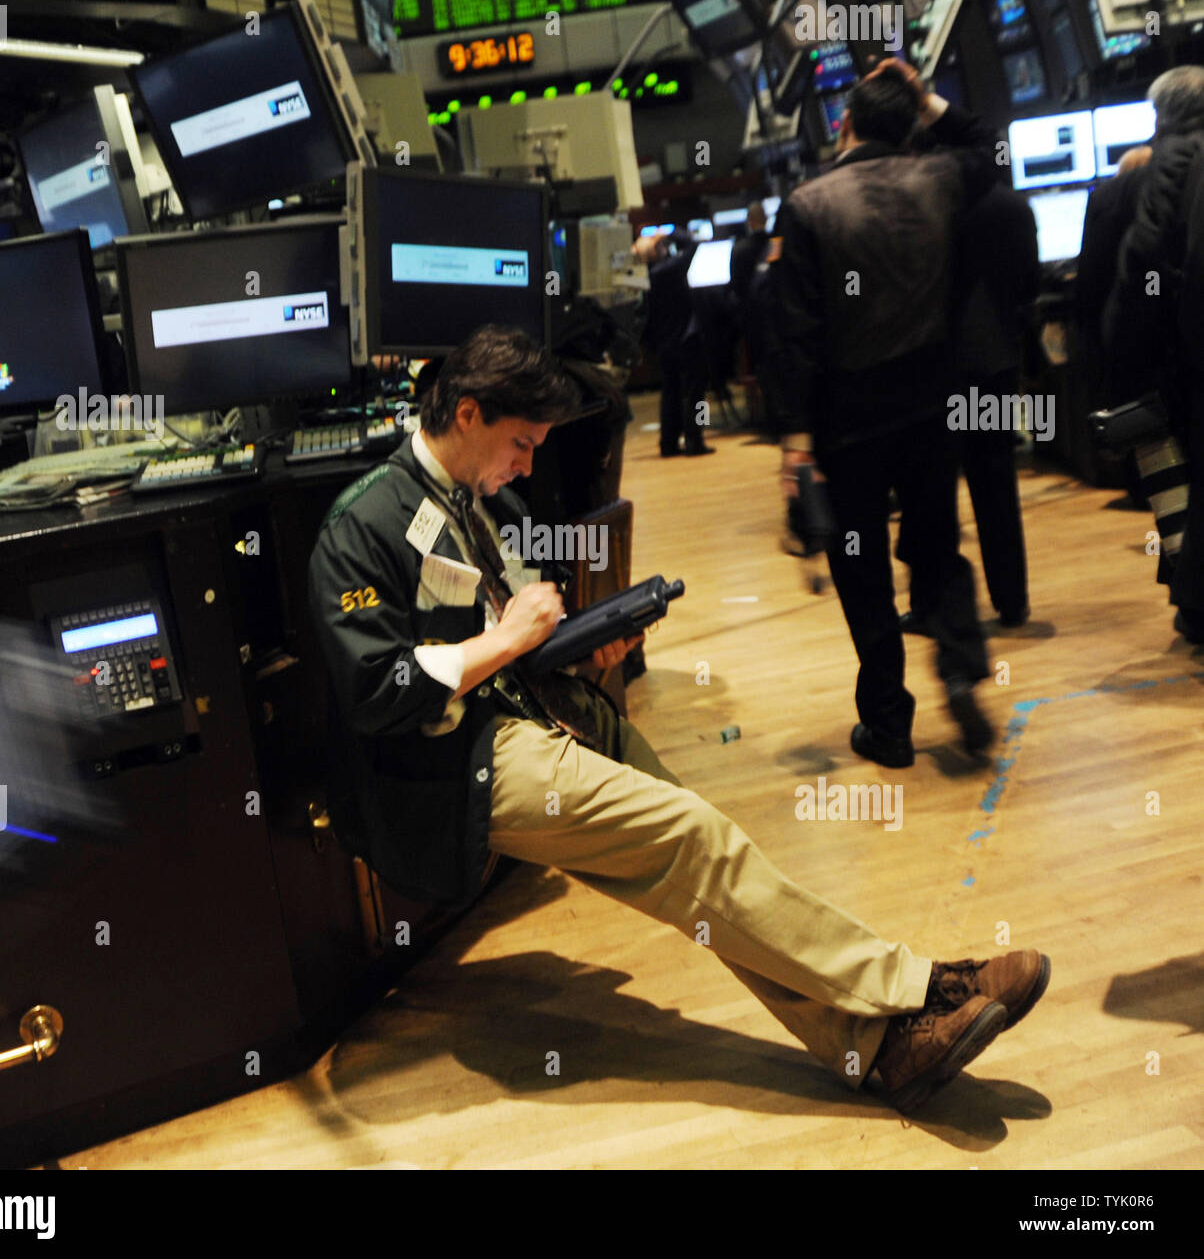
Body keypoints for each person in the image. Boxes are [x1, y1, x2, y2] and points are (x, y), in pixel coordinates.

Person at [308, 323, 1049, 1115]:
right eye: (520, 443)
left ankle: (876, 1047)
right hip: (465, 761)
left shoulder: (481, 499)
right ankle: (919, 987)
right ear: (467, 414)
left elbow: (514, 642)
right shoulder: (363, 525)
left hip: (543, 707)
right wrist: (505, 640)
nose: (526, 464)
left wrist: (582, 649)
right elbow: (377, 690)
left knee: (710, 863)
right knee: (697, 841)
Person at [771, 59, 998, 767]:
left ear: (844, 125)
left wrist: (795, 439)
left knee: (861, 566)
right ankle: (959, 665)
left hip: (849, 421)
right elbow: (992, 149)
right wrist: (930, 96)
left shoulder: (809, 204)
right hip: (932, 405)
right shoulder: (942, 178)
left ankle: (889, 725)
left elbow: (796, 331)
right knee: (938, 546)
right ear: (911, 127)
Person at [1103, 65, 1204, 642]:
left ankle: (1192, 603)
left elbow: (1141, 263)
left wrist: (1122, 354)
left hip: (1177, 359)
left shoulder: (1167, 162)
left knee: (1175, 483)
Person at [944, 180, 1039, 630]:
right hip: (997, 359)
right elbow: (1030, 284)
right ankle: (1012, 599)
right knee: (998, 488)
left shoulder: (933, 199)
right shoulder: (1013, 205)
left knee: (934, 493)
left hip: (939, 367)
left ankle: (938, 605)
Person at [634, 232, 713, 456]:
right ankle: (695, 440)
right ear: (657, 250)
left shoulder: (647, 275)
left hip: (664, 344)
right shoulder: (670, 269)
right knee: (697, 393)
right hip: (688, 339)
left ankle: (668, 444)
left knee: (670, 394)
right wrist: (668, 232)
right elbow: (693, 243)